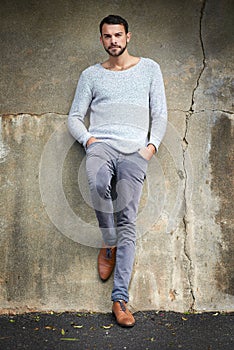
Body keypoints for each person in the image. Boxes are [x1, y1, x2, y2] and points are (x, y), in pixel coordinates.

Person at [68, 14, 167, 327]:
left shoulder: (150, 69)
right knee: (96, 183)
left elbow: (160, 113)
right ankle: (107, 241)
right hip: (102, 146)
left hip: (135, 152)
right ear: (101, 40)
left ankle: (120, 300)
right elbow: (74, 117)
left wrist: (149, 149)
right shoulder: (91, 75)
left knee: (128, 218)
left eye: (118, 35)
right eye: (107, 36)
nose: (113, 41)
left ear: (128, 36)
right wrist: (89, 139)